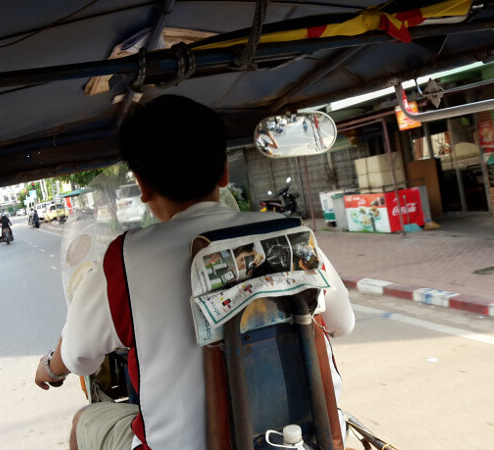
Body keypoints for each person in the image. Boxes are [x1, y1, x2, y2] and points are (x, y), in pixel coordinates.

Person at [33, 95, 355, 450]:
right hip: (313, 440)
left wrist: (50, 367)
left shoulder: (124, 259)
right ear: (224, 172)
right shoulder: (291, 233)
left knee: (85, 422)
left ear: (142, 184)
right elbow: (342, 323)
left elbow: (78, 355)